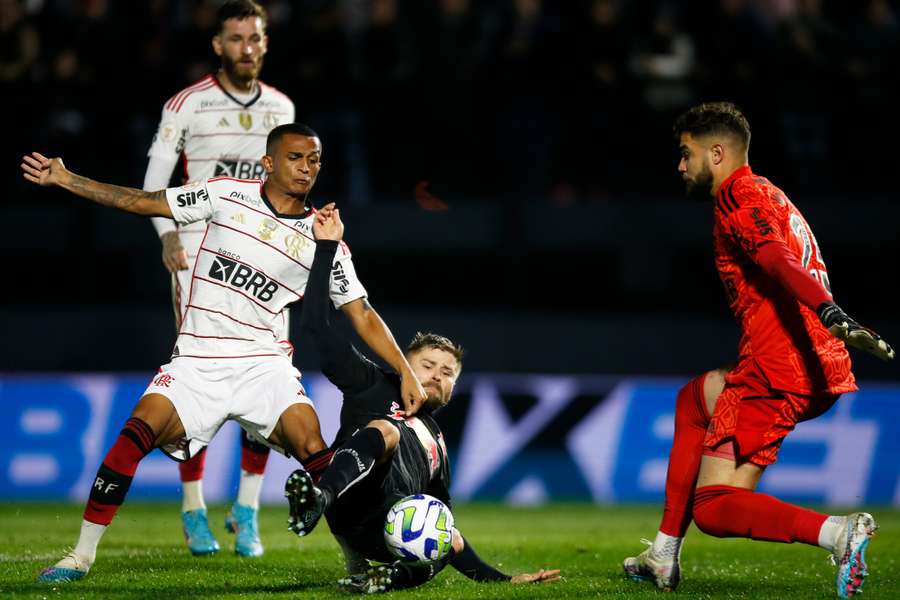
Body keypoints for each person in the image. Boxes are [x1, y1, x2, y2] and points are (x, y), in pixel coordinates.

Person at [21, 122, 427, 583]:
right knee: (133, 436)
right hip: (197, 361)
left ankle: (357, 560)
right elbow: (143, 202)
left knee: (317, 453)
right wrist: (67, 178)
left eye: (314, 160)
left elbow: (362, 313)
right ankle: (80, 557)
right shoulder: (225, 195)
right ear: (269, 163)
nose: (306, 168)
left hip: (265, 366)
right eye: (295, 158)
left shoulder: (324, 239)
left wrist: (405, 372)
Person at [622, 102, 894, 598]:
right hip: (812, 359)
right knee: (695, 399)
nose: (681, 165)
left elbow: (775, 257)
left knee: (715, 507)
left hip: (782, 366)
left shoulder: (735, 196)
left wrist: (830, 311)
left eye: (687, 154)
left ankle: (838, 533)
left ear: (718, 153)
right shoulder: (769, 191)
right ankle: (663, 553)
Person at [280, 207, 561, 593]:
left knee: (444, 529)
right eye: (427, 365)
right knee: (386, 430)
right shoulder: (373, 383)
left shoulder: (438, 446)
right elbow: (315, 327)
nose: (436, 376)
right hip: (346, 501)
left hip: (384, 531)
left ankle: (384, 578)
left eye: (447, 374)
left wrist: (505, 580)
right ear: (404, 366)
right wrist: (326, 247)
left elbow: (447, 533)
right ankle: (318, 499)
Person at [144, 0, 295, 558]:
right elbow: (155, 182)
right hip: (200, 259)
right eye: (236, 39)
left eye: (254, 38)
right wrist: (166, 237)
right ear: (218, 45)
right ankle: (193, 512)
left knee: (270, 376)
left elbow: (289, 188)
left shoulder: (281, 106)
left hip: (262, 262)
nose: (246, 48)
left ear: (264, 42)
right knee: (198, 381)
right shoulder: (187, 105)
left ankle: (248, 511)